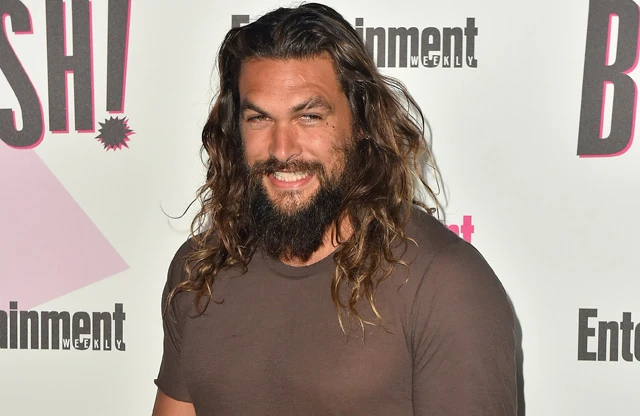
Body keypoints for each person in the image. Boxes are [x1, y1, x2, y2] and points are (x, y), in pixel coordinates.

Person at [152, 3, 517, 415]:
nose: (282, 149)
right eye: (259, 119)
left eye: (309, 116)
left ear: (360, 121)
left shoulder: (445, 285)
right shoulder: (200, 270)